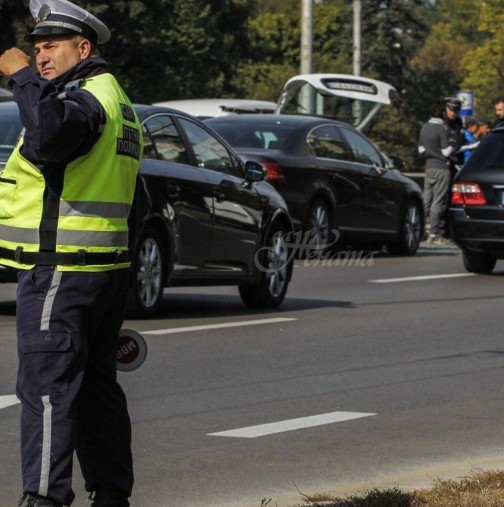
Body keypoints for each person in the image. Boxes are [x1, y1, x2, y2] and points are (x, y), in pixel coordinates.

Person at [0, 0, 142, 506]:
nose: (39, 58)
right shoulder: (116, 100)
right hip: (99, 271)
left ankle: (44, 500)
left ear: (83, 48)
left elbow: (50, 136)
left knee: (46, 389)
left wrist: (19, 76)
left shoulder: (82, 99)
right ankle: (111, 496)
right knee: (95, 389)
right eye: (35, 49)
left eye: (51, 47)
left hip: (61, 269)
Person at [418, 103, 453, 244]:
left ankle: (419, 229)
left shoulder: (424, 127)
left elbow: (421, 149)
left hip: (429, 166)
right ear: (443, 114)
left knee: (426, 199)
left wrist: (429, 153)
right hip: (441, 167)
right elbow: (446, 152)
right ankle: (435, 233)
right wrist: (452, 145)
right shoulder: (441, 129)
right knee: (438, 201)